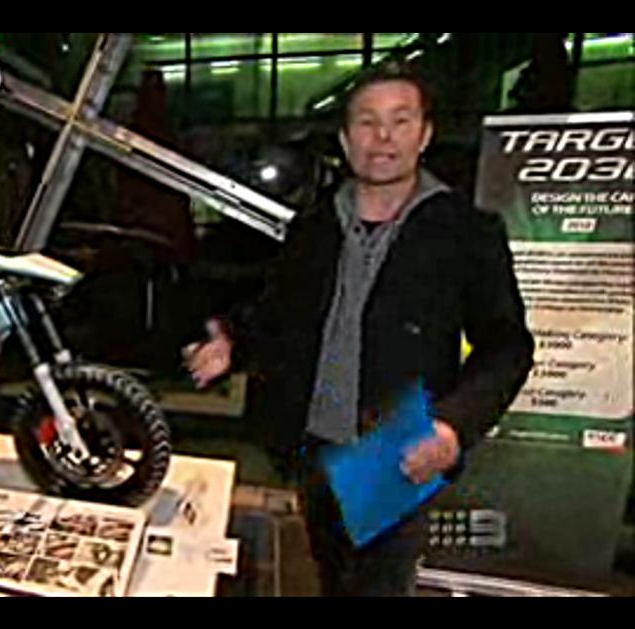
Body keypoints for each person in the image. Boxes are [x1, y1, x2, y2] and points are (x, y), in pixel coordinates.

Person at [185, 63, 534, 596]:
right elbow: (282, 314)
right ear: (347, 141)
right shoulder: (314, 227)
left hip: (397, 453)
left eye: (400, 120)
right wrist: (234, 343)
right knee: (330, 577)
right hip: (312, 450)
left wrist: (453, 426)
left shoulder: (466, 232)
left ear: (425, 134)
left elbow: (507, 347)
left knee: (379, 587)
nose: (383, 136)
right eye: (367, 122)